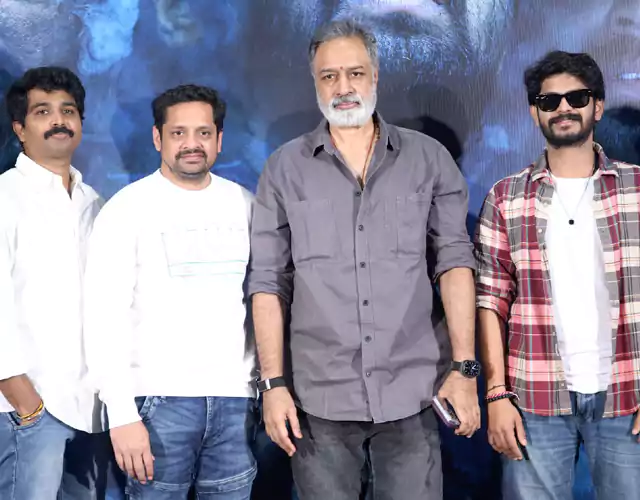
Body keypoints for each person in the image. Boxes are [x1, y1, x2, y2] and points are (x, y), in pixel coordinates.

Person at [249, 20, 480, 500]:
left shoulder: (428, 159)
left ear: (375, 76)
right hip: (319, 402)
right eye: (329, 76)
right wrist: (272, 385)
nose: (343, 87)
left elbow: (455, 263)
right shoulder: (284, 168)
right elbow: (268, 282)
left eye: (354, 73)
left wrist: (464, 369)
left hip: (414, 394)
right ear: (315, 83)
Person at [475, 50, 640, 500]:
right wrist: (496, 394)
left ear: (597, 106)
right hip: (535, 397)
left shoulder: (635, 188)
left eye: (577, 98)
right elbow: (490, 301)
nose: (564, 108)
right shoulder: (506, 198)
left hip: (626, 394)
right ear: (535, 113)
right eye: (550, 101)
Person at [82, 84, 258, 499]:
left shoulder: (246, 205)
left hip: (236, 402)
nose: (191, 144)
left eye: (203, 132)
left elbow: (263, 301)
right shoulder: (127, 208)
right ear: (158, 138)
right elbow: (103, 315)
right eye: (179, 133)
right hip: (157, 402)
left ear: (219, 139)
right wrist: (121, 413)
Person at [0, 66, 110, 499]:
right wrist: (25, 402)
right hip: (28, 411)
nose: (58, 120)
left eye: (68, 110)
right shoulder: (5, 198)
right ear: (19, 129)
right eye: (42, 111)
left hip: (90, 410)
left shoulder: (94, 203)